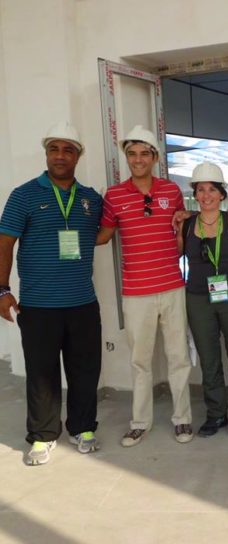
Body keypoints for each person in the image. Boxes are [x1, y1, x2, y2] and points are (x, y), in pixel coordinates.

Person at [0, 121, 102, 466]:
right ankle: (43, 435)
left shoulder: (90, 199)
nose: (60, 156)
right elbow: (4, 245)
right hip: (39, 305)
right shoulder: (23, 195)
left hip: (83, 303)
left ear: (78, 156)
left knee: (85, 369)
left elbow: (100, 234)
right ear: (46, 153)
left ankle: (83, 428)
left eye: (68, 149)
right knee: (42, 372)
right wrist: (2, 290)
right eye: (54, 149)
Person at [97, 125, 193, 447]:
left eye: (144, 154)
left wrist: (182, 228)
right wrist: (60, 234)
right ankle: (140, 423)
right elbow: (104, 235)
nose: (138, 160)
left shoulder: (171, 191)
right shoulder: (113, 196)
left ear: (154, 157)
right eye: (132, 154)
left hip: (171, 287)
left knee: (179, 356)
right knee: (140, 362)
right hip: (136, 292)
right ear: (127, 157)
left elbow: (178, 242)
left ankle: (182, 419)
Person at [178, 161, 228, 437]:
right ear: (194, 194)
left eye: (211, 189)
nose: (206, 195)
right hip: (198, 298)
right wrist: (176, 224)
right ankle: (216, 413)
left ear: (222, 193)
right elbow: (174, 254)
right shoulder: (186, 223)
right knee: (209, 359)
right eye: (200, 189)